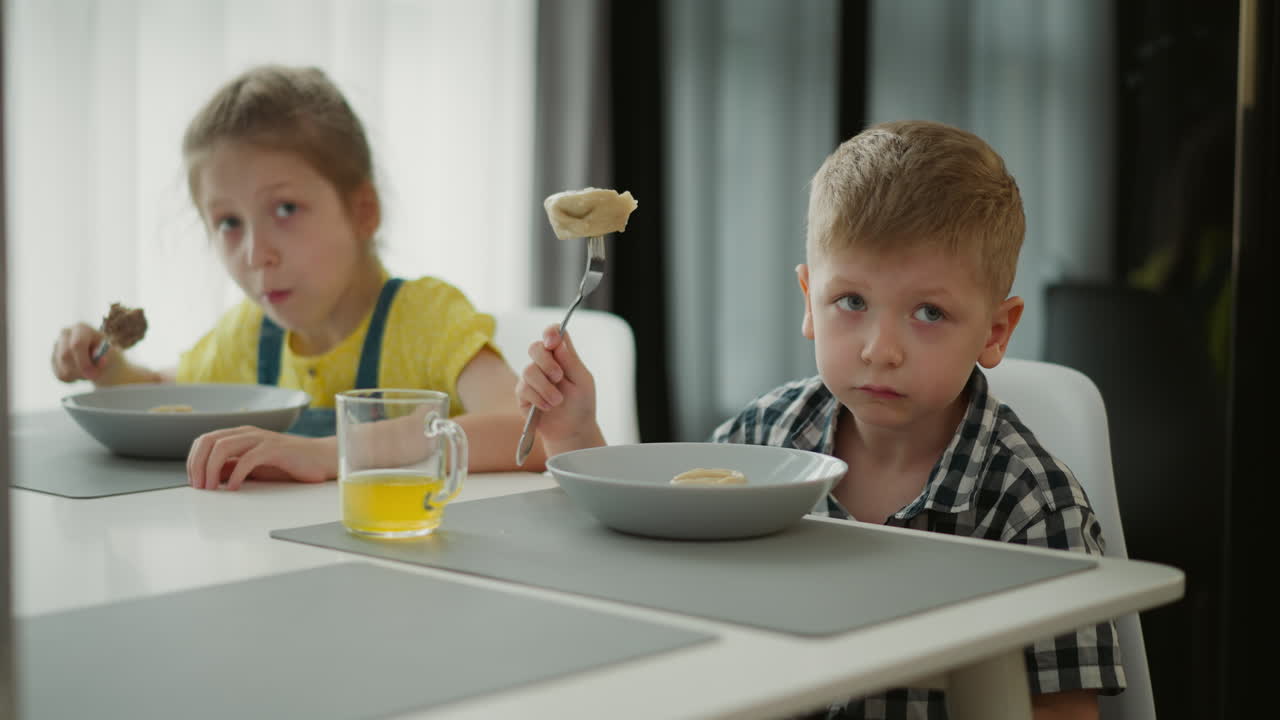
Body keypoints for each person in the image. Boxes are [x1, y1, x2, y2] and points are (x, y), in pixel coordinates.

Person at [517, 120, 1124, 719]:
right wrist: (574, 437)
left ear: (995, 331)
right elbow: (663, 570)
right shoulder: (761, 437)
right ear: (810, 300)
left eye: (929, 313)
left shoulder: (1034, 506)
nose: (880, 350)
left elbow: (1061, 710)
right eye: (852, 302)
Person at [50, 64, 545, 489]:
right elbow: (163, 393)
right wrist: (107, 369)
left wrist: (332, 453)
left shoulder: (426, 318)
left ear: (363, 212)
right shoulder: (250, 335)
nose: (256, 254)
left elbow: (531, 433)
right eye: (228, 222)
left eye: (285, 209)